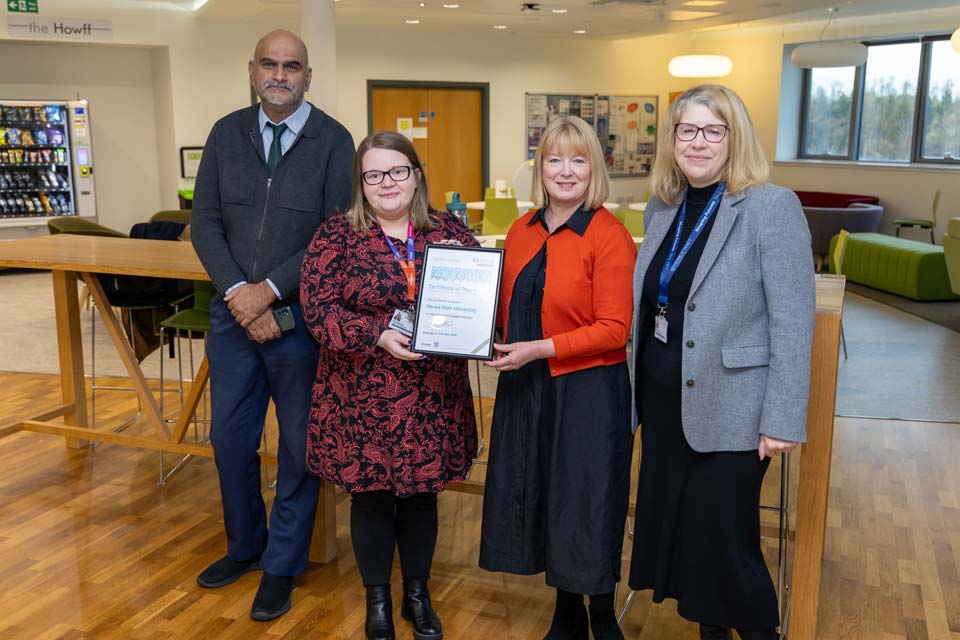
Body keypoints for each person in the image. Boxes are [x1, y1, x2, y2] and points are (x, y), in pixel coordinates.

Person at [628, 84, 815, 640]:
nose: (699, 142)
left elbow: (792, 321)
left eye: (715, 130)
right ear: (673, 139)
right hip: (665, 412)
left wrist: (781, 419)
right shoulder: (662, 207)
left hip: (733, 414)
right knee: (693, 549)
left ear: (736, 138)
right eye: (688, 130)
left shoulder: (769, 207)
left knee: (728, 548)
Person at [190, 29, 354, 621]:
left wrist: (269, 292)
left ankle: (282, 567)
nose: (279, 74)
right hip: (233, 315)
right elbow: (204, 221)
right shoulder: (225, 133)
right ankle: (245, 548)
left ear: (308, 76)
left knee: (297, 448)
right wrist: (240, 294)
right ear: (252, 70)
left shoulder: (334, 140)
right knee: (228, 440)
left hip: (301, 319)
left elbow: (334, 232)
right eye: (269, 64)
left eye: (292, 66)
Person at [300, 130, 478, 640]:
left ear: (417, 175)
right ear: (361, 183)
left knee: (422, 496)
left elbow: (477, 296)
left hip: (430, 394)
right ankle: (377, 600)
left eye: (397, 170)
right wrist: (376, 333)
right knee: (371, 496)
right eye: (374, 174)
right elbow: (319, 313)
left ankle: (417, 595)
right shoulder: (334, 238)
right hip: (360, 395)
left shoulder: (450, 233)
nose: (387, 182)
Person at [479, 116, 637, 640]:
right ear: (539, 167)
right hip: (528, 388)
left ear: (594, 168)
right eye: (554, 159)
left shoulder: (608, 235)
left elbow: (614, 330)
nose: (565, 171)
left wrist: (540, 349)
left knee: (587, 499)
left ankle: (600, 612)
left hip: (588, 389)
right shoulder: (521, 232)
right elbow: (505, 307)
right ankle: (567, 610)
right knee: (543, 491)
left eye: (578, 159)